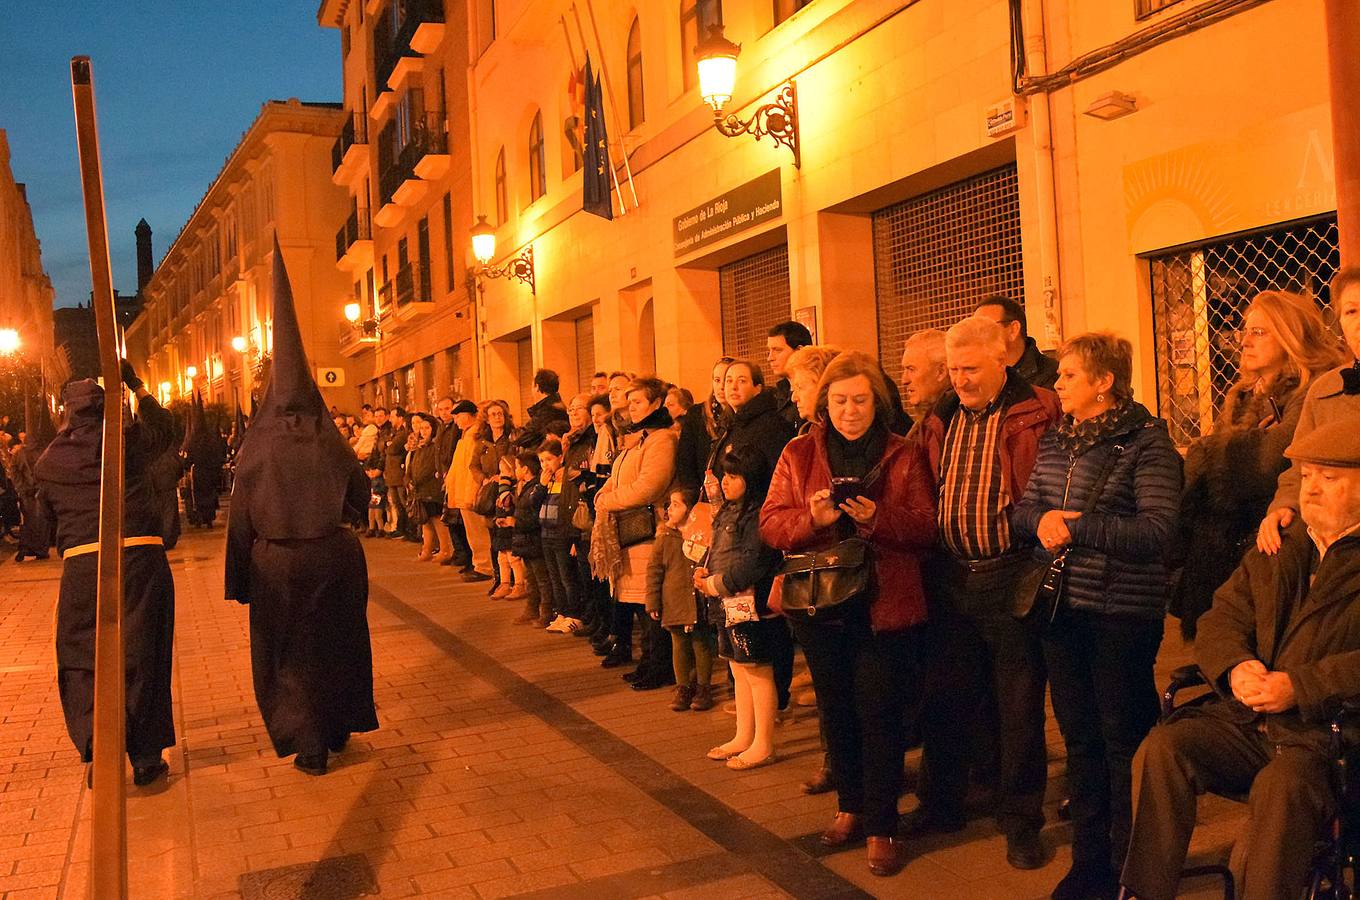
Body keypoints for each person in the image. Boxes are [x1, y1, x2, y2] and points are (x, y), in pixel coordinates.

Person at [1121, 416, 1360, 900]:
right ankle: (1146, 890)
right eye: (1307, 475)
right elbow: (1221, 617)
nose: (1310, 490)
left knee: (1281, 788)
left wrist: (1301, 685)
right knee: (1164, 748)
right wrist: (1235, 667)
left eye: (1329, 478)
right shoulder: (1280, 545)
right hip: (1248, 719)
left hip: (1329, 735)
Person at [1010, 333, 1183, 899]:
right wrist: (1040, 521)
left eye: (1068, 375)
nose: (1056, 385)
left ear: (1104, 382)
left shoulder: (1146, 442)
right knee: (1080, 739)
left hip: (1121, 615)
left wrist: (1077, 525)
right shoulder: (1059, 439)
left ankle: (1131, 865)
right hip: (1063, 610)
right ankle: (1089, 862)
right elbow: (1027, 507)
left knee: (1123, 738)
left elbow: (1157, 530)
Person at [760, 350, 938, 877]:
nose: (850, 410)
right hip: (819, 603)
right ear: (824, 403)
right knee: (836, 712)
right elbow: (771, 523)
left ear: (875, 401)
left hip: (883, 603)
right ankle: (850, 807)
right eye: (839, 400)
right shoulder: (797, 452)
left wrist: (878, 518)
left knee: (879, 713)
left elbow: (927, 525)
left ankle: (882, 823)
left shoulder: (902, 453)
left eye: (860, 400)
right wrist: (811, 518)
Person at [225, 242, 377, 777]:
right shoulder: (330, 441)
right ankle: (335, 727)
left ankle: (308, 740)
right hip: (335, 557)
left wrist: (239, 577)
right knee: (337, 642)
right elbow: (361, 496)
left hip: (277, 564)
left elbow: (241, 518)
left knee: (288, 651)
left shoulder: (257, 447)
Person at [916, 314, 1061, 870]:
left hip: (1012, 573)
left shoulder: (1038, 411)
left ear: (1003, 359)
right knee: (948, 699)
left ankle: (1021, 822)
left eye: (971, 368)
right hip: (953, 576)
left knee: (1019, 705)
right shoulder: (941, 418)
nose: (961, 380)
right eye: (953, 370)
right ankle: (943, 804)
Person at [1170, 291, 1344, 639]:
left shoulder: (1312, 391)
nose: (1245, 341)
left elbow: (1268, 463)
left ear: (1290, 335)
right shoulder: (1244, 398)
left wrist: (1216, 447)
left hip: (1283, 548)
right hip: (1226, 551)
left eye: (1260, 332)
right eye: (1244, 332)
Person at [36, 363, 177, 785]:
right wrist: (136, 386)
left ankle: (99, 740)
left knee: (81, 656)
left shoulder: (50, 461)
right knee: (144, 655)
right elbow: (167, 429)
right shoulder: (128, 442)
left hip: (82, 563)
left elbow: (42, 526)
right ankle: (147, 756)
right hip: (140, 558)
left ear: (67, 412)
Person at [1258, 268, 1360, 555]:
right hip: (1327, 537)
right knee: (1272, 552)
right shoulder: (1325, 390)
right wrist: (1283, 507)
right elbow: (1299, 466)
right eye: (1351, 312)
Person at [699, 444, 786, 770]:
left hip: (751, 602)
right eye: (725, 475)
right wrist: (704, 570)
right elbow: (716, 548)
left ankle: (763, 743)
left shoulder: (760, 513)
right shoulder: (726, 510)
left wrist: (717, 583)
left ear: (751, 478)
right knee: (737, 667)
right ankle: (743, 735)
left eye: (733, 476)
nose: (725, 481)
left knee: (757, 669)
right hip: (727, 602)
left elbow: (755, 562)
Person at [591, 376, 677, 673]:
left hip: (650, 530)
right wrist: (605, 492)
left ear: (656, 403)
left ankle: (658, 664)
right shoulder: (639, 439)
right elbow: (619, 476)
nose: (633, 408)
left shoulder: (662, 439)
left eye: (638, 402)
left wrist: (609, 500)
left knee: (648, 601)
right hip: (631, 532)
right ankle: (648, 660)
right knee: (636, 600)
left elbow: (649, 487)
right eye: (631, 403)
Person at [647, 487, 717, 711]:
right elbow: (654, 571)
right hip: (675, 600)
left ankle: (704, 687)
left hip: (698, 599)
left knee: (701, 643)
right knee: (679, 644)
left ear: (690, 509)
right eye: (669, 504)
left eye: (676, 504)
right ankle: (683, 686)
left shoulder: (703, 535)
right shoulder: (665, 538)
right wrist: (653, 601)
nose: (670, 509)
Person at [539, 438, 585, 633]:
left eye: (549, 459)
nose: (545, 464)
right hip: (546, 534)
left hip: (563, 534)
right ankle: (562, 613)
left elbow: (573, 508)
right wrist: (541, 485)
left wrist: (575, 538)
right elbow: (534, 503)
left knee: (567, 577)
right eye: (541, 461)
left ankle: (575, 615)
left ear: (560, 457)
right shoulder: (546, 481)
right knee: (555, 577)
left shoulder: (568, 479)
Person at [446, 400, 494, 581]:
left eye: (458, 416)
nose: (456, 420)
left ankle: (484, 566)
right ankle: (479, 563)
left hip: (471, 492)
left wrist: (470, 493)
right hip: (462, 491)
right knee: (472, 532)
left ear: (468, 415)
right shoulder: (466, 435)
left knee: (478, 532)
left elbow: (471, 468)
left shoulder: (475, 436)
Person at [506, 451, 551, 626]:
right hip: (526, 540)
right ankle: (532, 609)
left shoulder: (535, 487)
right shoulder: (525, 486)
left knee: (541, 578)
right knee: (531, 577)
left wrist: (515, 522)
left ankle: (545, 612)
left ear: (525, 469)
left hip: (534, 539)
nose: (515, 470)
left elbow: (534, 514)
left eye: (517, 466)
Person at [675, 357, 733, 493]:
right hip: (704, 495)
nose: (721, 386)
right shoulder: (697, 415)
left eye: (727, 380)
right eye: (717, 380)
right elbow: (685, 462)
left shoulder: (741, 415)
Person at [975, 295, 1059, 388]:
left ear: (1013, 330)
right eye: (974, 329)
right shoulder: (974, 376)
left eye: (986, 327)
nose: (977, 336)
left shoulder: (1053, 377)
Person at [405, 413, 447, 560]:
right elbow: (412, 466)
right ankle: (426, 550)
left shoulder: (434, 446)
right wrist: (408, 479)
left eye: (426, 428)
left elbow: (429, 467)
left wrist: (416, 480)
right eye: (421, 428)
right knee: (425, 521)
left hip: (431, 489)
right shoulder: (420, 446)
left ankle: (445, 549)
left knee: (436, 519)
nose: (423, 431)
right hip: (419, 489)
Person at [182, 391, 225, 527]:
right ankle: (209, 519)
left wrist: (186, 465)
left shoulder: (193, 441)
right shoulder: (211, 440)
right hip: (210, 473)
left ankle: (200, 518)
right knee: (209, 495)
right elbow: (217, 456)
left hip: (199, 474)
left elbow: (188, 459)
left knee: (199, 496)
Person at [767, 320, 814, 427]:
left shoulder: (814, 393)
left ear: (800, 351)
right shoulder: (775, 396)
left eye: (777, 350)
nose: (770, 358)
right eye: (769, 351)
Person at [900, 329, 950, 426]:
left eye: (911, 369)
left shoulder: (958, 426)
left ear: (941, 372)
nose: (904, 380)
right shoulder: (921, 429)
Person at [785, 345, 842, 427]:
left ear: (825, 387)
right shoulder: (807, 433)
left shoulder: (850, 434)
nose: (794, 398)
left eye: (800, 387)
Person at [514, 368, 569, 449]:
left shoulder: (547, 411)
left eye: (532, 386)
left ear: (537, 387)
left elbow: (526, 437)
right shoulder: (557, 406)